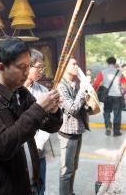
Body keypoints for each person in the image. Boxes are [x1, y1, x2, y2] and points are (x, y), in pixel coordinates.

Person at [0, 37, 63, 195]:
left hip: (30, 186)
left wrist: (53, 110)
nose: (27, 73)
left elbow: (51, 127)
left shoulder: (22, 93)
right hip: (2, 190)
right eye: (21, 67)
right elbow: (2, 146)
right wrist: (39, 108)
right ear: (1, 67)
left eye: (28, 66)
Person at [57, 56, 90, 195]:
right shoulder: (60, 86)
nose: (77, 67)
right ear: (64, 67)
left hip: (77, 130)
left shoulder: (74, 83)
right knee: (66, 170)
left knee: (73, 167)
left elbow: (80, 105)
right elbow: (72, 108)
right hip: (67, 133)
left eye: (77, 64)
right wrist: (82, 90)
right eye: (73, 64)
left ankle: (70, 192)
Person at [24, 49, 50, 195]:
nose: (41, 71)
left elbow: (46, 122)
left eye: (43, 67)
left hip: (38, 150)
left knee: (39, 188)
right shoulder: (16, 90)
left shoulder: (43, 91)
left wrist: (39, 146)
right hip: (20, 151)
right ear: (27, 66)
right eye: (38, 67)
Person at [93, 57, 126, 137]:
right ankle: (116, 132)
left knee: (107, 111)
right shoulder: (119, 72)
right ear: (115, 64)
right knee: (117, 113)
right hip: (117, 95)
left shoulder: (103, 72)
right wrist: (125, 93)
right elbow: (125, 83)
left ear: (107, 63)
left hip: (107, 96)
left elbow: (96, 83)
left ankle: (108, 125)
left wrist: (93, 92)